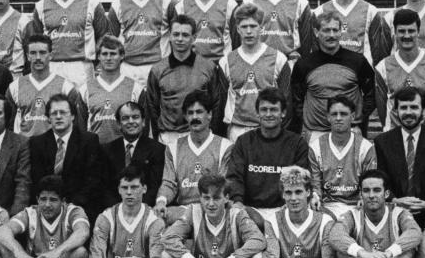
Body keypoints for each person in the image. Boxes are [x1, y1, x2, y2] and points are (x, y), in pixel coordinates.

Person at [240, 166, 353, 258]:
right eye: (288, 192)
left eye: (298, 192)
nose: (293, 198)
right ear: (283, 195)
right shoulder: (272, 220)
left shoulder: (326, 221)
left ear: (308, 193)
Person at [71, 165, 174, 258]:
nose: (129, 192)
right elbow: (96, 254)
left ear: (144, 189)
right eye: (125, 187)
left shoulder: (154, 220)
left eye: (134, 187)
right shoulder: (106, 217)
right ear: (119, 190)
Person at [162, 173, 265, 258]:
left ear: (226, 198)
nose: (210, 204)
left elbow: (258, 240)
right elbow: (168, 238)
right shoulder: (193, 212)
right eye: (206, 198)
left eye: (216, 198)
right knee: (166, 254)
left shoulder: (237, 214)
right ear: (200, 197)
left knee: (257, 257)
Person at [374, 86, 425, 228]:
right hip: (395, 207)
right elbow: (381, 180)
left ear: (423, 110)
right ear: (396, 111)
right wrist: (396, 200)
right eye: (403, 107)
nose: (408, 112)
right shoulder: (383, 142)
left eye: (414, 107)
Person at [226, 88, 308, 225]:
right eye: (264, 109)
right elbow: (235, 177)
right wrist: (238, 202)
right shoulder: (243, 142)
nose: (268, 114)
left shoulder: (297, 143)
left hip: (285, 209)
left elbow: (301, 179)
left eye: (274, 109)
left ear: (283, 113)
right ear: (257, 113)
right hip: (250, 209)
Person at [290, 11, 374, 142]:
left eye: (335, 30)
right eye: (326, 30)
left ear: (341, 32)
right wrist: (308, 121)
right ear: (316, 32)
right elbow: (296, 100)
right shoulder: (303, 64)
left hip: (350, 131)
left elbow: (371, 94)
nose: (331, 35)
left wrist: (359, 118)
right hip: (316, 132)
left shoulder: (358, 61)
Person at [29, 0, 110, 88]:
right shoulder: (41, 5)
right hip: (52, 66)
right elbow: (37, 40)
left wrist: (95, 63)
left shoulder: (92, 4)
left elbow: (103, 37)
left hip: (81, 68)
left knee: (81, 107)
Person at [155, 92, 232, 224]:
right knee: (154, 217)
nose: (194, 117)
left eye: (199, 112)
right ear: (185, 116)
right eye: (190, 113)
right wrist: (161, 202)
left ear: (209, 114)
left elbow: (223, 185)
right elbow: (169, 183)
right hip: (183, 210)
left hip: (213, 210)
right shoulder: (173, 147)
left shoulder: (225, 146)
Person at [146, 14, 221, 146]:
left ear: (194, 38)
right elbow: (152, 107)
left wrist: (210, 132)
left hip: (200, 135)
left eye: (185, 35)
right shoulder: (157, 70)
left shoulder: (208, 67)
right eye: (176, 34)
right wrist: (159, 133)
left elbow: (216, 104)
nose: (180, 39)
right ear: (169, 36)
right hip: (168, 136)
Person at [220, 3, 290, 142]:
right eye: (244, 27)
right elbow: (221, 101)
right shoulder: (226, 61)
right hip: (237, 130)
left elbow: (286, 100)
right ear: (238, 29)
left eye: (253, 26)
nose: (249, 31)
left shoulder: (278, 58)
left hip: (269, 129)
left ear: (262, 28)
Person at [29, 94, 102, 223]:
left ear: (73, 116)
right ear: (48, 118)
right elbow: (37, 180)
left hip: (79, 207)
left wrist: (69, 207)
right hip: (46, 207)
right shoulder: (37, 143)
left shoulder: (89, 141)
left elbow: (92, 180)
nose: (58, 116)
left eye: (63, 112)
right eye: (54, 113)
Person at [375, 9, 425, 132]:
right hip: (394, 136)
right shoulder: (382, 67)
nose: (407, 35)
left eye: (411, 31)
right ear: (395, 33)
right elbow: (382, 110)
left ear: (418, 32)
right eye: (402, 31)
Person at [108, 0, 174, 87]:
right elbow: (110, 41)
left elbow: (179, 38)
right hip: (127, 68)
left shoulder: (168, 1)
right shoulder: (118, 3)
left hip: (158, 67)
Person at [6, 34, 87, 138]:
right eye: (33, 53)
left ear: (50, 55)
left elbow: (75, 125)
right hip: (25, 148)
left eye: (43, 53)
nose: (38, 57)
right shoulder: (14, 87)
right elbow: (9, 124)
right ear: (27, 56)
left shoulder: (66, 87)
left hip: (54, 148)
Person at [309, 96, 376, 218]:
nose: (338, 118)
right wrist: (315, 197)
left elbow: (370, 182)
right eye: (334, 114)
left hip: (357, 207)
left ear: (353, 116)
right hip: (326, 207)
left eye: (343, 114)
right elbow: (315, 185)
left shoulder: (365, 147)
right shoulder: (316, 147)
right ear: (328, 117)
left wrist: (364, 198)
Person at [312, 0, 383, 67]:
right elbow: (315, 50)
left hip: (359, 76)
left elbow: (377, 53)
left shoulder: (371, 11)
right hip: (329, 74)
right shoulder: (319, 12)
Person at [79, 35, 144, 144]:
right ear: (98, 56)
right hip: (95, 152)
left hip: (124, 153)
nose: (108, 58)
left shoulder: (136, 88)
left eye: (113, 54)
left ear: (122, 56)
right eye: (104, 54)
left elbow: (143, 127)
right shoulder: (85, 89)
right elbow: (80, 128)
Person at [102, 101, 165, 208]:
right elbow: (105, 188)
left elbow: (154, 187)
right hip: (114, 210)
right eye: (125, 118)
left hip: (145, 208)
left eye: (135, 117)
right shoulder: (107, 150)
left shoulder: (157, 149)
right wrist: (117, 211)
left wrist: (139, 210)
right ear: (118, 124)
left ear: (143, 121)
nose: (131, 121)